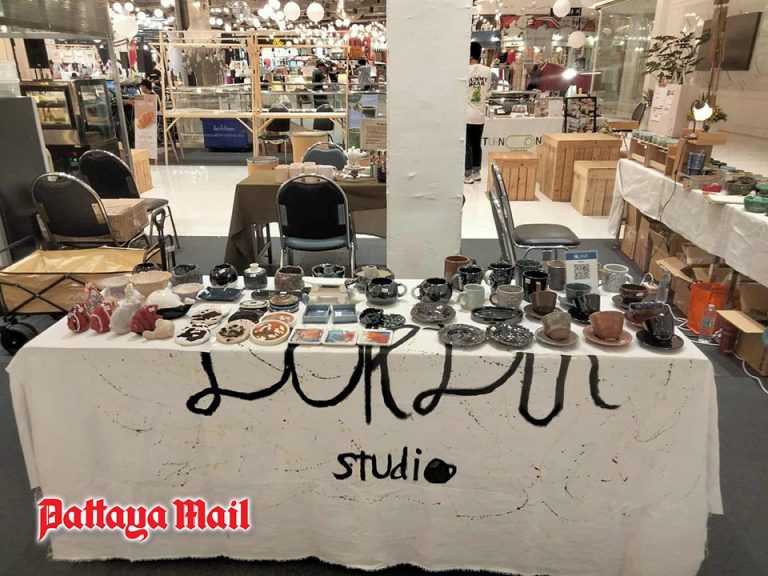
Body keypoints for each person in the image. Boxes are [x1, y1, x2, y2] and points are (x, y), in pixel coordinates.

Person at [465, 42, 492, 185]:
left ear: (470, 55)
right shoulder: (487, 71)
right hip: (480, 114)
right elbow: (487, 89)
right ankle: (476, 172)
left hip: (468, 114)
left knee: (468, 145)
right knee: (477, 144)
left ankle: (467, 173)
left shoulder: (465, 70)